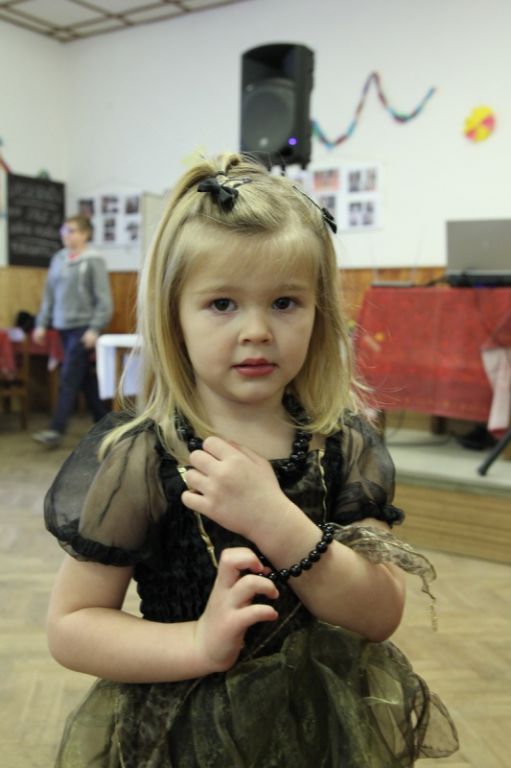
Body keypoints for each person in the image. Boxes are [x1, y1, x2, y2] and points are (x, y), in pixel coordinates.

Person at [44, 154, 458, 767]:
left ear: (319, 313)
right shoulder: (142, 457)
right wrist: (198, 643)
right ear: (174, 316)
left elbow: (378, 615)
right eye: (222, 304)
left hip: (325, 732)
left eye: (285, 302)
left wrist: (275, 519)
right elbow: (71, 626)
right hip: (185, 733)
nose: (257, 330)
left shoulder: (343, 445)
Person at [32, 215, 113, 448]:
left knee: (68, 377)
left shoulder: (94, 260)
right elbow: (49, 295)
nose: (66, 234)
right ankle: (105, 424)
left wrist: (95, 328)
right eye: (64, 230)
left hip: (82, 328)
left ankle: (56, 429)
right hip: (62, 327)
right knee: (84, 378)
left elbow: (104, 299)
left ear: (85, 234)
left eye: (72, 230)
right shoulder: (58, 259)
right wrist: (41, 323)